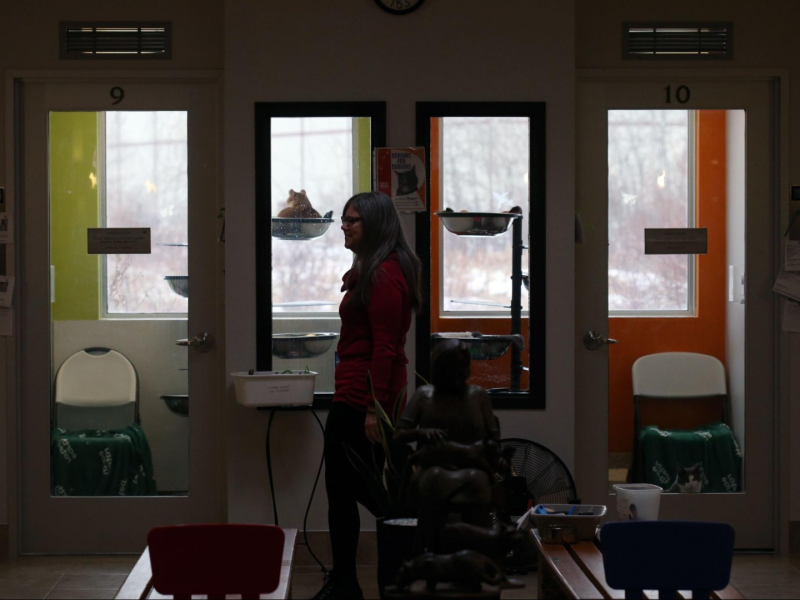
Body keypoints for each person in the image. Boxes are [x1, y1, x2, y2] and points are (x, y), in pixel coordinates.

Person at [313, 191, 423, 600]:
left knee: (361, 494)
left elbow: (386, 349)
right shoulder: (373, 269)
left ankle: (360, 580)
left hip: (364, 400)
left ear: (375, 225)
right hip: (358, 396)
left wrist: (375, 411)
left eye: (353, 219)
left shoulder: (382, 275)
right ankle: (346, 582)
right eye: (344, 218)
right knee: (346, 491)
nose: (344, 225)